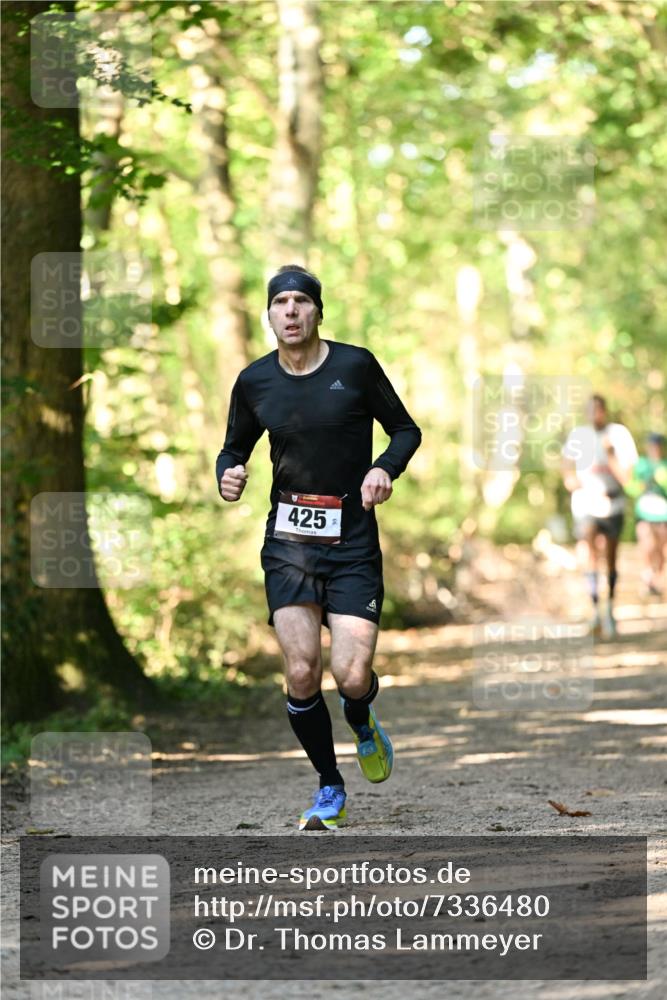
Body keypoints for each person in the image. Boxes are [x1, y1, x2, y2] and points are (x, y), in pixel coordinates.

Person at [215, 265, 421, 830]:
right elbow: (233, 449)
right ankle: (330, 785)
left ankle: (361, 717)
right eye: (280, 302)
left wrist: (384, 468)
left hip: (352, 541)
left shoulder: (355, 366)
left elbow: (406, 430)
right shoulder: (254, 381)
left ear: (317, 311)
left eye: (301, 301)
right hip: (289, 543)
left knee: (351, 675)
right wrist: (227, 473)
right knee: (302, 670)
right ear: (269, 314)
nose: (290, 310)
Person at [562, 395, 638, 638]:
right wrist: (571, 481)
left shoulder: (619, 434)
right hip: (586, 502)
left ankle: (610, 607)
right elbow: (566, 465)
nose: (594, 414)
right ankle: (595, 608)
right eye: (590, 410)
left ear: (605, 411)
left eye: (598, 410)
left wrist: (611, 454)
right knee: (589, 550)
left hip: (613, 503)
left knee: (611, 558)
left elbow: (627, 479)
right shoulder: (578, 435)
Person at [623, 432, 667, 597]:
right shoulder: (641, 465)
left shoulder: (664, 465)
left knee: (661, 547)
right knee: (646, 543)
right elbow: (630, 486)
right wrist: (638, 487)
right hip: (644, 512)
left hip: (662, 514)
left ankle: (658, 578)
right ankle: (647, 576)